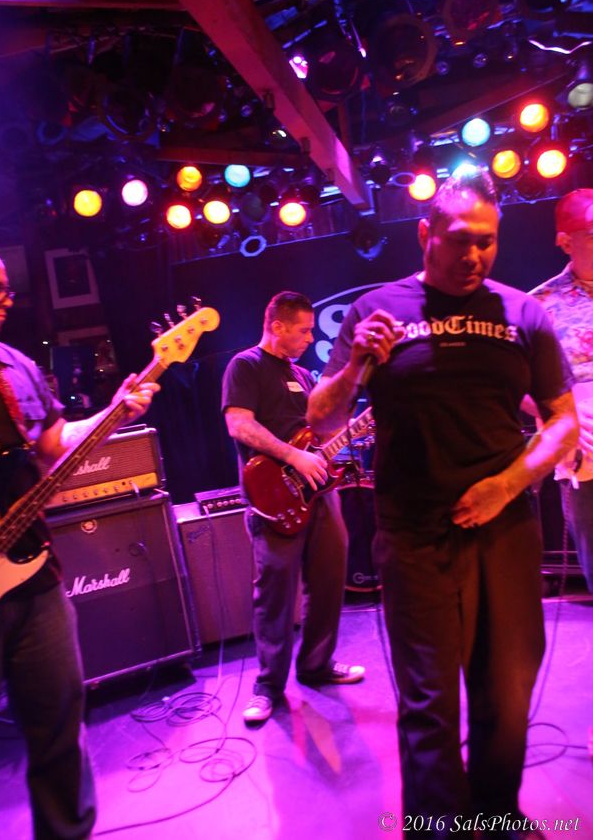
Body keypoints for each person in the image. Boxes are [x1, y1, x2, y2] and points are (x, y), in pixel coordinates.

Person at [307, 170, 578, 839]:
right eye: (459, 240)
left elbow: (563, 423)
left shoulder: (524, 313)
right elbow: (319, 418)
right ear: (425, 234)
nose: (474, 256)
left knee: (506, 691)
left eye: (487, 241)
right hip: (414, 535)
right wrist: (354, 367)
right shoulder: (378, 309)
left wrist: (507, 485)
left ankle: (497, 812)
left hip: (505, 528)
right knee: (428, 702)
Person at [0, 249, 160, 839]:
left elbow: (53, 442)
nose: (5, 300)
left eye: (7, 290)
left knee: (59, 722)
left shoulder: (14, 365)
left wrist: (114, 412)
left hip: (31, 568)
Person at [221, 291, 365, 725]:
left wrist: (353, 428)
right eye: (303, 330)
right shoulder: (245, 365)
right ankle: (268, 686)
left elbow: (318, 435)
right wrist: (293, 456)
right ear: (277, 326)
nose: (309, 338)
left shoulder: (303, 375)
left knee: (329, 580)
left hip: (319, 493)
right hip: (272, 496)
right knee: (275, 594)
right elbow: (239, 424)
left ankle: (317, 665)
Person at [528, 189, 593, 593]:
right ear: (565, 242)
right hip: (585, 455)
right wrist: (561, 414)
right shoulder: (538, 305)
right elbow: (514, 382)